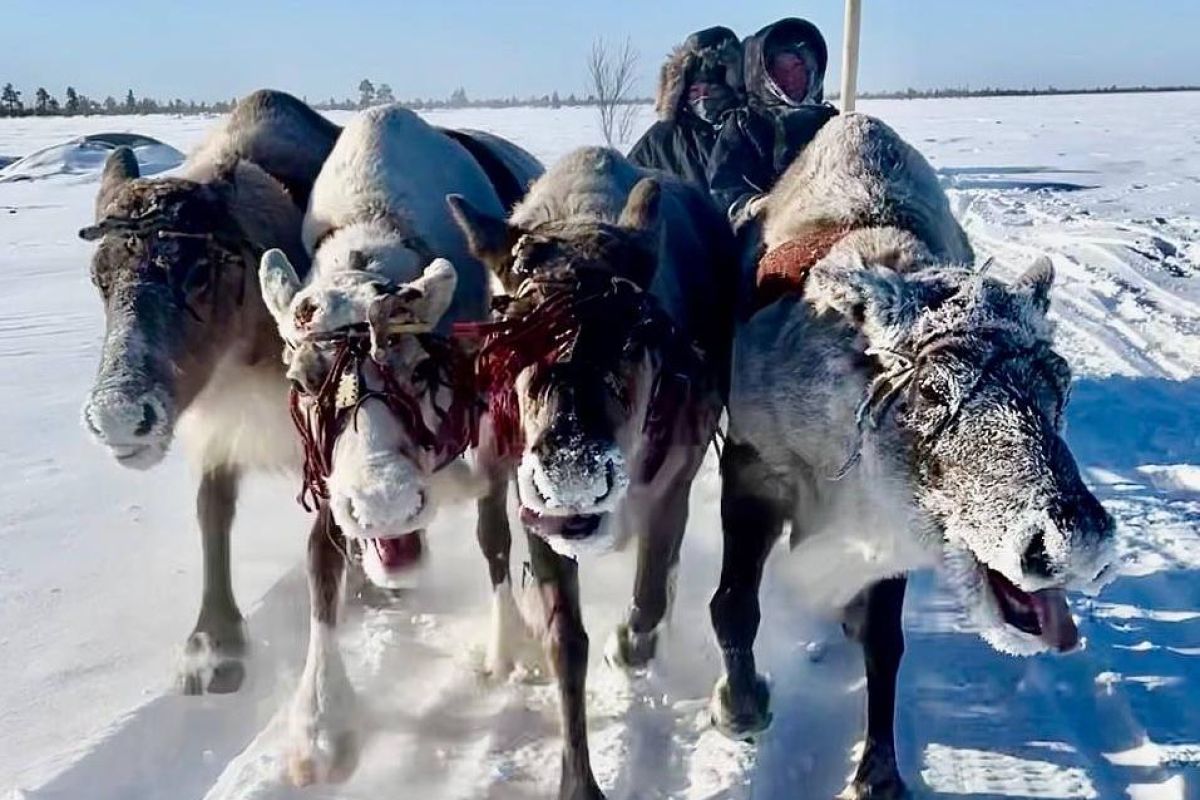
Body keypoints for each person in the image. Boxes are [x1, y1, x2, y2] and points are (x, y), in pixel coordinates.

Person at [707, 18, 839, 228]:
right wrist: (752, 207)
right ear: (763, 75)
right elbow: (723, 187)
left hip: (827, 225)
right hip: (763, 234)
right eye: (780, 70)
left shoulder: (831, 122)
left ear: (812, 70)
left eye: (797, 67)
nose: (791, 78)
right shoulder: (745, 125)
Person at [627, 26, 744, 190]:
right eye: (695, 91)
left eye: (714, 89)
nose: (704, 98)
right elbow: (624, 183)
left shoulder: (750, 130)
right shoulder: (661, 140)